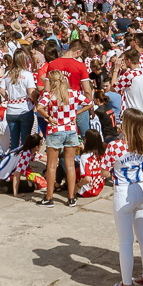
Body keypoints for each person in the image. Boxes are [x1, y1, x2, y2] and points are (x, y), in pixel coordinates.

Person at [101, 107, 143, 286]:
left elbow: (105, 172)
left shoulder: (115, 146)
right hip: (142, 189)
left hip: (124, 192)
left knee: (125, 241)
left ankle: (126, 284)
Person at [35, 69, 88, 207]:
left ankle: (49, 197)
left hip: (55, 130)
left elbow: (38, 107)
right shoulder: (74, 93)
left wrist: (48, 117)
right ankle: (71, 197)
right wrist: (77, 112)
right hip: (70, 130)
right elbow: (90, 102)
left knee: (52, 165)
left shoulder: (49, 95)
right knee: (70, 165)